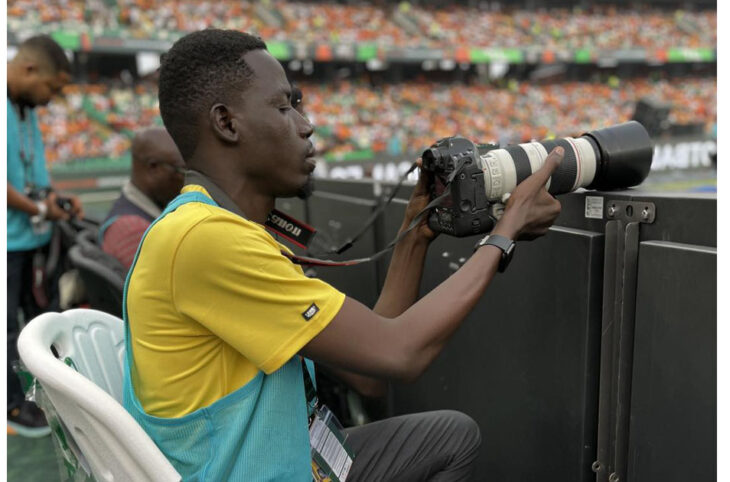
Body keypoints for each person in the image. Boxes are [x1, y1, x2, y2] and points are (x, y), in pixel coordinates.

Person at [123, 29, 562, 481]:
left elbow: (370, 372)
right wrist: (505, 232)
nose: (305, 124)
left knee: (450, 436)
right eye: (284, 106)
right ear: (227, 123)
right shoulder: (206, 239)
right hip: (252, 471)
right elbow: (401, 353)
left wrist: (415, 233)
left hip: (275, 453)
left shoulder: (213, 226)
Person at [7, 35, 84, 437]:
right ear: (30, 69)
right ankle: (12, 406)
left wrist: (55, 198)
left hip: (29, 242)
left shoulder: (25, 109)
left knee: (36, 323)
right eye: (52, 88)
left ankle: (42, 396)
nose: (52, 98)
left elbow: (33, 174)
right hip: (7, 246)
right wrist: (40, 208)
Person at [99, 127, 185, 270]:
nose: (186, 180)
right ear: (153, 167)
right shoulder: (133, 231)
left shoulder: (133, 215)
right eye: (180, 171)